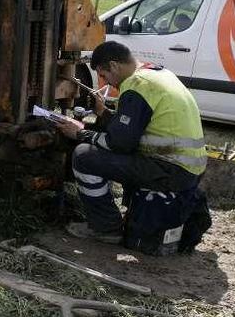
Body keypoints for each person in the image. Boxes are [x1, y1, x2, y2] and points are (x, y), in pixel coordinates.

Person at [55, 41, 207, 244]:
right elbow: (133, 127)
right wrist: (104, 114)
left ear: (115, 66)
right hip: (188, 168)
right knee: (100, 151)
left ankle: (106, 228)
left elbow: (120, 144)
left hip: (170, 170)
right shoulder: (155, 74)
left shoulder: (137, 87)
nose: (106, 82)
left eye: (104, 75)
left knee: (84, 156)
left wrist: (80, 133)